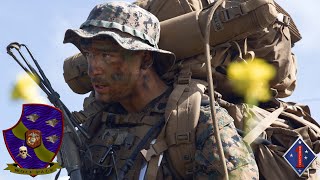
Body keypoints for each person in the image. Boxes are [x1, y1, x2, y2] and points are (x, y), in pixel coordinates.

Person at [63, 1, 258, 179]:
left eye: (107, 55)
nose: (93, 69)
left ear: (146, 60)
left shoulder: (196, 121)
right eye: (89, 55)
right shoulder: (96, 122)